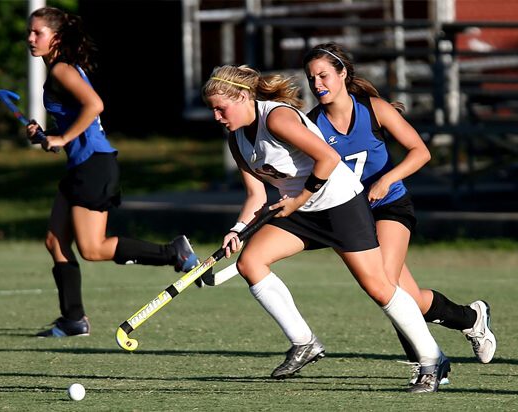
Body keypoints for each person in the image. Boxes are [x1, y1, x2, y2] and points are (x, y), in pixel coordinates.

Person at [202, 64, 449, 393]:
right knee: (250, 262)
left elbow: (329, 158)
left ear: (245, 96)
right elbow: (255, 195)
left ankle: (433, 359)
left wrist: (298, 198)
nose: (217, 117)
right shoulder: (237, 140)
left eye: (221, 108)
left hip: (339, 204)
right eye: (213, 110)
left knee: (379, 287)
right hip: (302, 210)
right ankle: (304, 343)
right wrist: (238, 229)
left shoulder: (276, 118)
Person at [302, 42, 496, 377]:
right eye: (311, 78)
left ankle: (429, 364)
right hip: (351, 216)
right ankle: (470, 318)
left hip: (390, 205)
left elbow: (420, 152)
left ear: (343, 74)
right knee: (408, 297)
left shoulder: (374, 109)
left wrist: (386, 180)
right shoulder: (311, 125)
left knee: (385, 283)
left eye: (323, 75)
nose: (317, 84)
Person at [25, 7, 201, 338]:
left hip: (94, 166)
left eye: (38, 33)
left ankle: (173, 253)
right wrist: (46, 135)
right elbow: (76, 117)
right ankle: (73, 320)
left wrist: (62, 137)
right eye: (30, 32)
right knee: (55, 240)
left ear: (57, 38)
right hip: (81, 165)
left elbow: (95, 106)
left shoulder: (62, 69)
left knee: (92, 249)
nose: (30, 39)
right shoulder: (61, 69)